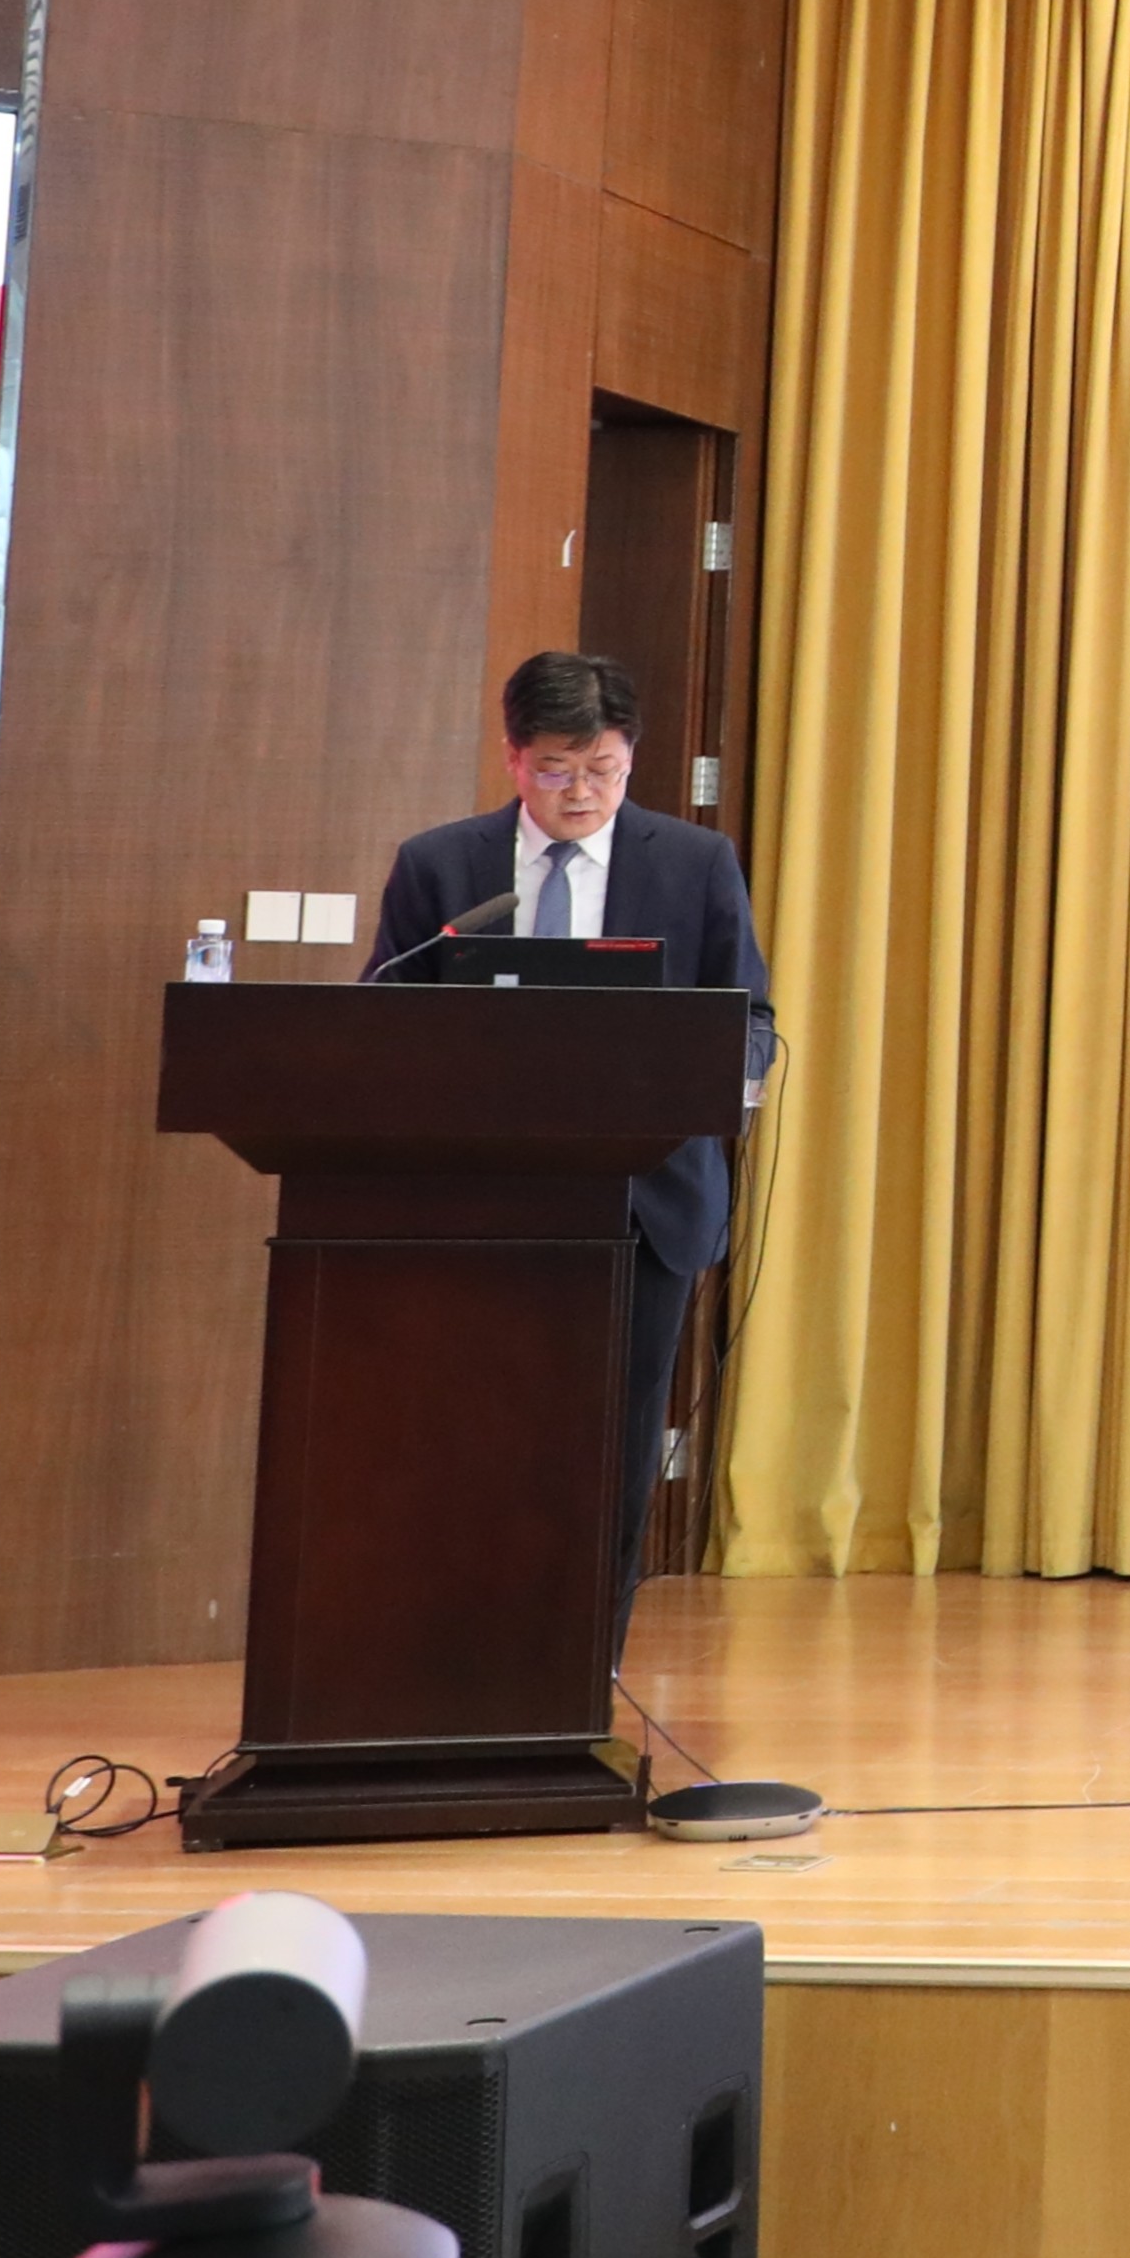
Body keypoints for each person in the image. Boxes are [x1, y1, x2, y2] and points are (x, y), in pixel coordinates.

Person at [367, 649, 776, 1655]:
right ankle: (465, 1653)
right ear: (514, 757)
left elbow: (749, 1019)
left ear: (632, 757)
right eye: (557, 768)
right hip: (479, 1204)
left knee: (618, 1445)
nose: (582, 791)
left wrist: (732, 1074)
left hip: (646, 1206)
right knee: (479, 1438)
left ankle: (587, 1662)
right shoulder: (441, 866)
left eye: (605, 768)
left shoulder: (694, 863)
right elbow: (383, 1013)